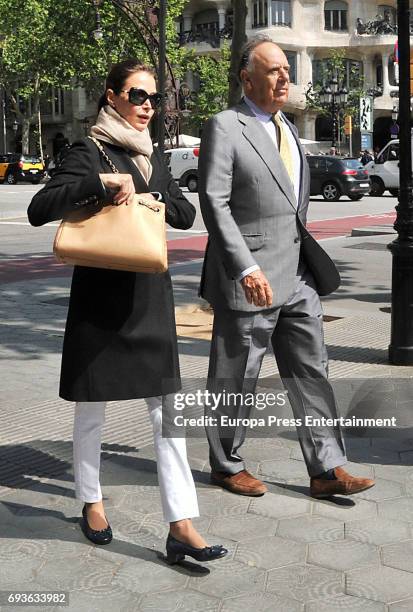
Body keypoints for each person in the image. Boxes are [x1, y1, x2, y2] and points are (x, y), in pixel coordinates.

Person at [28, 59, 227, 565]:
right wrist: (101, 183)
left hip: (150, 300)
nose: (147, 107)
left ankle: (181, 524)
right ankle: (90, 501)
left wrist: (147, 192)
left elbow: (183, 214)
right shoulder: (87, 149)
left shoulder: (154, 155)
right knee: (91, 408)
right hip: (101, 301)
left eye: (154, 99)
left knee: (167, 415)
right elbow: (40, 207)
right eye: (139, 96)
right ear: (112, 96)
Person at [198, 37, 375, 499]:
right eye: (273, 70)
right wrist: (244, 267)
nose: (284, 78)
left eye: (285, 70)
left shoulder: (288, 128)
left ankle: (326, 469)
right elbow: (214, 202)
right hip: (251, 278)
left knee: (311, 369)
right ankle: (225, 464)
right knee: (237, 376)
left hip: (296, 276)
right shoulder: (226, 125)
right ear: (246, 78)